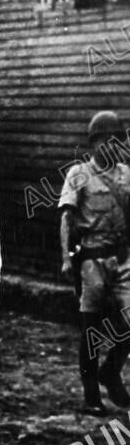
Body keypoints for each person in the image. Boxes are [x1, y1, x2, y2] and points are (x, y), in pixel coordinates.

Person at [59, 111, 130, 414]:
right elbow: (66, 218)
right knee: (92, 331)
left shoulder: (127, 174)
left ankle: (110, 373)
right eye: (109, 141)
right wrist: (65, 259)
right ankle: (92, 396)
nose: (115, 147)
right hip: (91, 261)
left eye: (119, 141)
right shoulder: (79, 174)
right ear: (96, 143)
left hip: (123, 260)